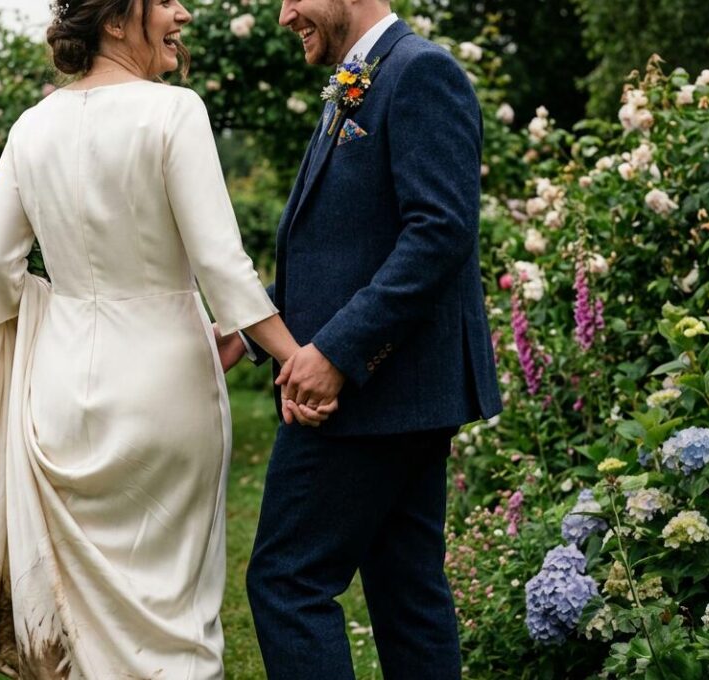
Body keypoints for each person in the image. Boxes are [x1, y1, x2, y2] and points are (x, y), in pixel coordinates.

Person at [0, 0, 332, 676]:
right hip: (165, 385)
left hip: (58, 389)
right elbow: (220, 263)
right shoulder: (173, 111)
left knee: (82, 620)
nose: (182, 14)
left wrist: (43, 314)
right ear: (117, 21)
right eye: (166, 1)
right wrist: (298, 358)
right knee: (173, 608)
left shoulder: (31, 127)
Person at [222, 0, 504, 677]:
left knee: (288, 582)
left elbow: (438, 232)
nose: (285, 15)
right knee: (406, 594)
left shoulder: (420, 72)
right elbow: (336, 249)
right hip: (397, 394)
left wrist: (337, 354)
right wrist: (249, 331)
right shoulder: (366, 76)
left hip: (370, 396)